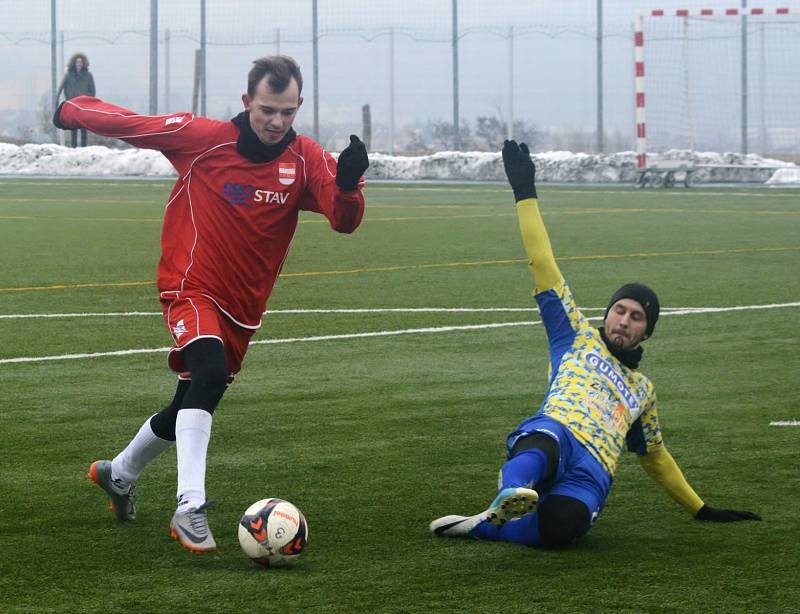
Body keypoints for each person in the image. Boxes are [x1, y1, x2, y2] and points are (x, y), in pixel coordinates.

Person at [53, 55, 369, 553]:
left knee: (188, 403)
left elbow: (344, 220)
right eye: (267, 109)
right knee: (208, 374)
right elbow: (136, 126)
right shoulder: (204, 140)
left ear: (299, 107)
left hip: (243, 308)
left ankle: (118, 473)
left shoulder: (306, 159)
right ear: (247, 102)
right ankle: (190, 506)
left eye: (287, 112)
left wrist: (348, 184)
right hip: (190, 285)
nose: (276, 121)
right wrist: (72, 108)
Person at [430, 140, 761, 548]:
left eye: (636, 316)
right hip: (562, 432)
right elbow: (543, 263)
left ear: (647, 332)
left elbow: (655, 457)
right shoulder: (574, 333)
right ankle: (511, 490)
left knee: (563, 529)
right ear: (607, 313)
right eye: (619, 309)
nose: (624, 319)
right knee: (542, 445)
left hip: (594, 471)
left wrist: (701, 508)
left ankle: (483, 525)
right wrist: (524, 193)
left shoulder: (643, 391)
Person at [56, 52, 96, 147]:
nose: (79, 64)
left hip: (84, 105)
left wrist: (88, 99)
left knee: (83, 127)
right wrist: (58, 100)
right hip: (72, 104)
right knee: (73, 126)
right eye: (77, 62)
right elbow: (61, 88)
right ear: (74, 63)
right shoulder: (68, 75)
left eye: (81, 62)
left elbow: (93, 91)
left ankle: (83, 147)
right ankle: (73, 147)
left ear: (83, 63)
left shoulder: (88, 75)